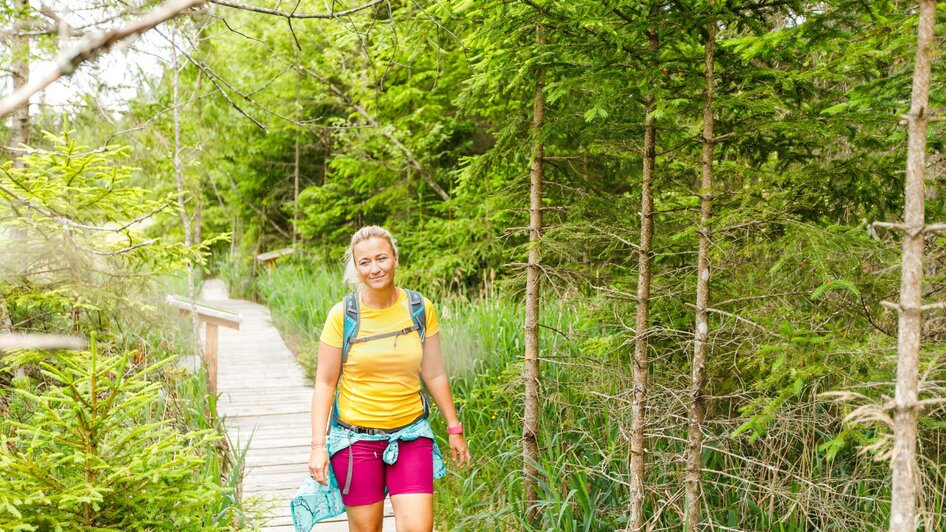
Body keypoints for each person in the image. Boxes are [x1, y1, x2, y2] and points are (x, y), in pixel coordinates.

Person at [308, 225, 471, 532]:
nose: (375, 268)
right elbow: (325, 384)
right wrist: (318, 445)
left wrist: (454, 427)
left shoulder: (420, 308)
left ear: (395, 258)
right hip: (356, 440)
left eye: (381, 258)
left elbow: (434, 372)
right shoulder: (343, 315)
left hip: (410, 435)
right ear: (356, 268)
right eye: (364, 262)